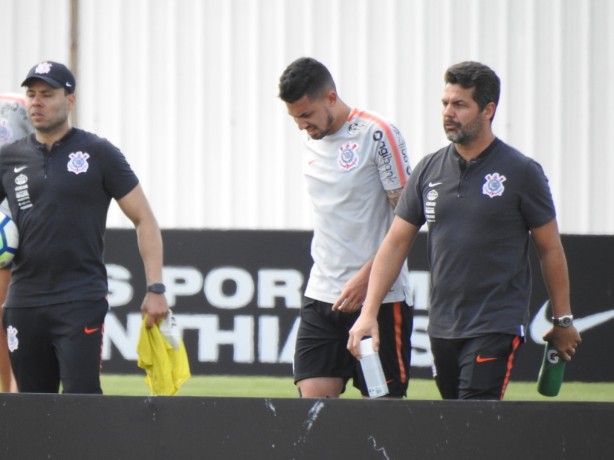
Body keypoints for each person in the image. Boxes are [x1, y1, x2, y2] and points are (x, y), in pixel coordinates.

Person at [347, 61, 582, 400]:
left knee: (475, 420)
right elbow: (396, 243)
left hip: (495, 323)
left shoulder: (522, 172)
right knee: (455, 426)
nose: (448, 112)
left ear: (488, 109)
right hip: (442, 326)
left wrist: (562, 321)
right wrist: (368, 313)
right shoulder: (428, 169)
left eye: (460, 105)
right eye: (445, 103)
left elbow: (549, 248)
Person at [0, 61, 169, 394]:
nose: (36, 102)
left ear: (70, 100)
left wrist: (156, 288)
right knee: (30, 411)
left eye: (47, 94)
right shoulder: (8, 158)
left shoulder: (99, 153)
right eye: (31, 94)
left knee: (82, 402)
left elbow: (144, 219)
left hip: (79, 299)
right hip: (23, 303)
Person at [278, 57, 414, 398]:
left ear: (330, 98)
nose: (301, 125)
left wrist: (367, 277)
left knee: (382, 419)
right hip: (323, 294)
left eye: (306, 115)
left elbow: (408, 219)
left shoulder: (377, 133)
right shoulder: (311, 138)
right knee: (312, 416)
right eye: (295, 117)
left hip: (380, 297)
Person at [0, 92, 35, 392]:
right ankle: (11, 392)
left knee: (9, 318)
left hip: (21, 226)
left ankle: (15, 392)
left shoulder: (18, 106)